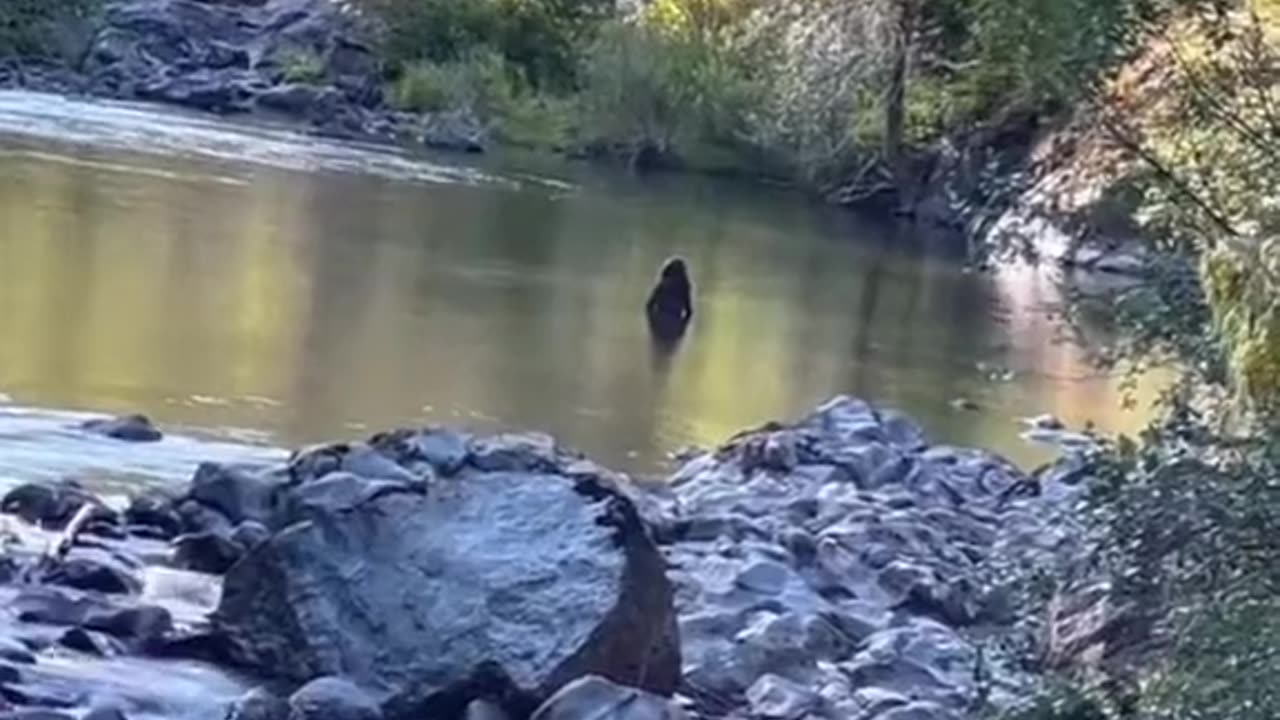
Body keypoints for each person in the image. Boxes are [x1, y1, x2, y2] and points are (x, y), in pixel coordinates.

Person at [645, 257, 693, 342]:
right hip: (675, 319)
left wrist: (652, 321)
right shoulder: (685, 286)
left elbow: (650, 305)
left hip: (661, 319)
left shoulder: (663, 284)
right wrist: (684, 325)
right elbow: (688, 310)